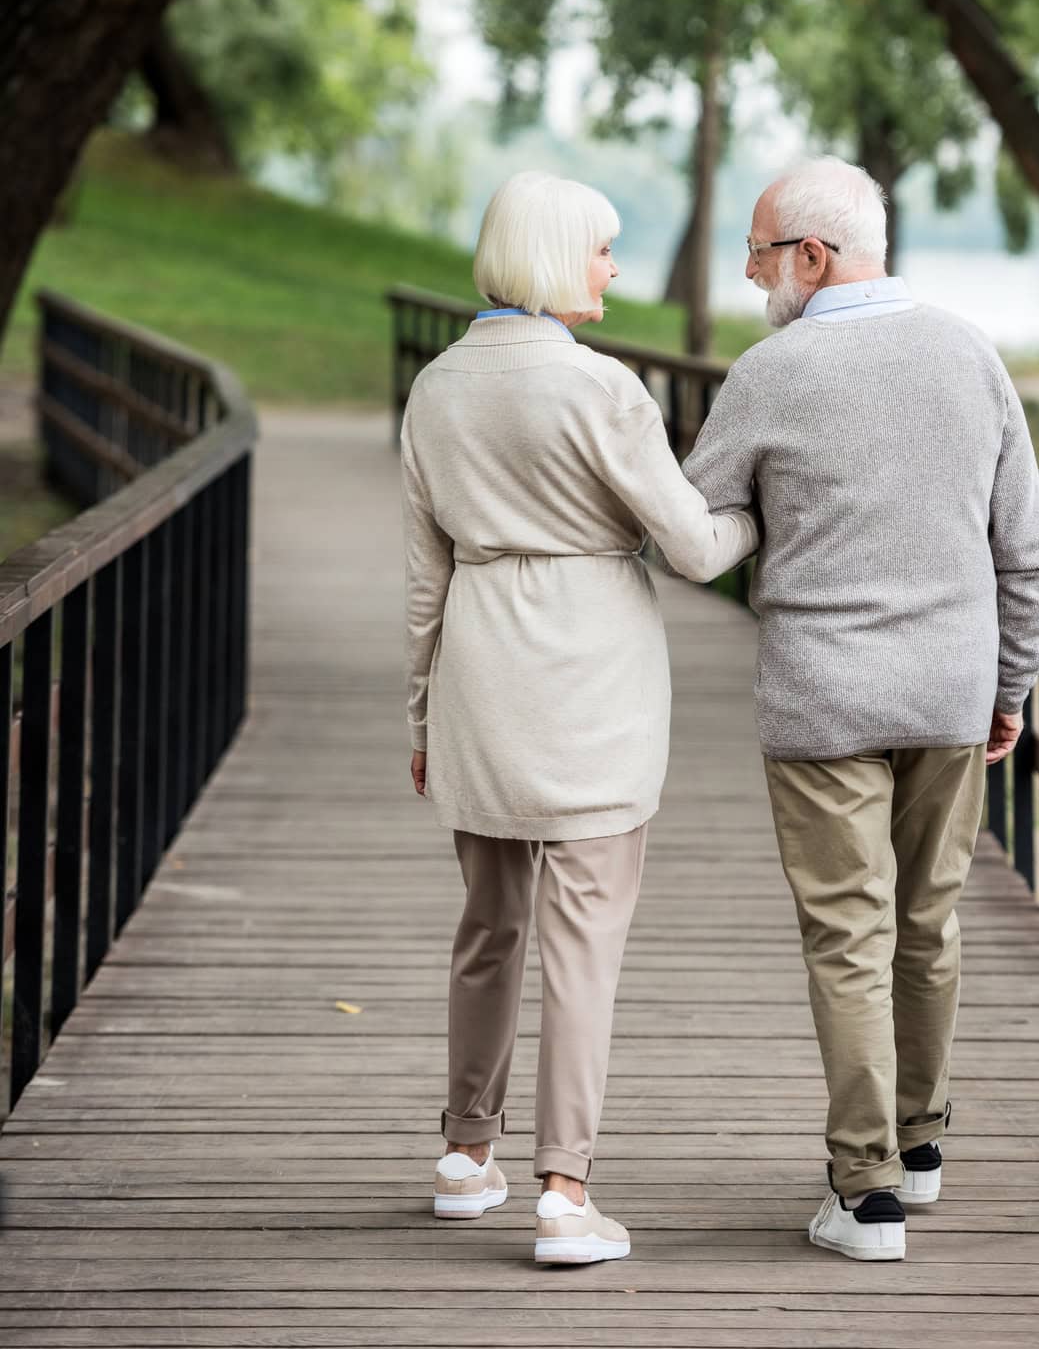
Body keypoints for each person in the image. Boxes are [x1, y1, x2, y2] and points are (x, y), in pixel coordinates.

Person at [683, 155, 1039, 1263]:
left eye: (759, 253)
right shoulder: (970, 352)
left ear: (812, 253)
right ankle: (922, 1144)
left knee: (850, 934)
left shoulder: (771, 371)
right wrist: (1010, 687)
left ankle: (866, 1193)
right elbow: (1029, 554)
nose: (754, 276)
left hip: (823, 696)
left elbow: (692, 516)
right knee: (929, 922)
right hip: (950, 688)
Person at [400, 170, 759, 1268]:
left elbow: (423, 581)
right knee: (584, 944)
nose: (613, 268)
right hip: (590, 685)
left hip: (479, 673)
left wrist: (421, 715)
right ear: (558, 258)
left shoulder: (436, 389)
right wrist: (753, 508)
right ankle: (565, 1189)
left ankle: (467, 1154)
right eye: (601, 249)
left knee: (488, 924)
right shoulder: (603, 391)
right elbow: (696, 546)